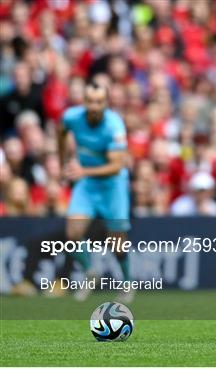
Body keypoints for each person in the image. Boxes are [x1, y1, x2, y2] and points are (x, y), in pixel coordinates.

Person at [58, 81, 132, 303]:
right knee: (72, 234)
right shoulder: (72, 117)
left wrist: (82, 170)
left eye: (98, 102)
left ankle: (127, 284)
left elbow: (116, 166)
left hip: (113, 186)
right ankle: (91, 272)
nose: (93, 106)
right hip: (87, 184)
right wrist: (64, 161)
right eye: (89, 101)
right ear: (84, 101)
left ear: (106, 103)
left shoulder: (114, 126)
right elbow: (61, 133)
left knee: (117, 243)